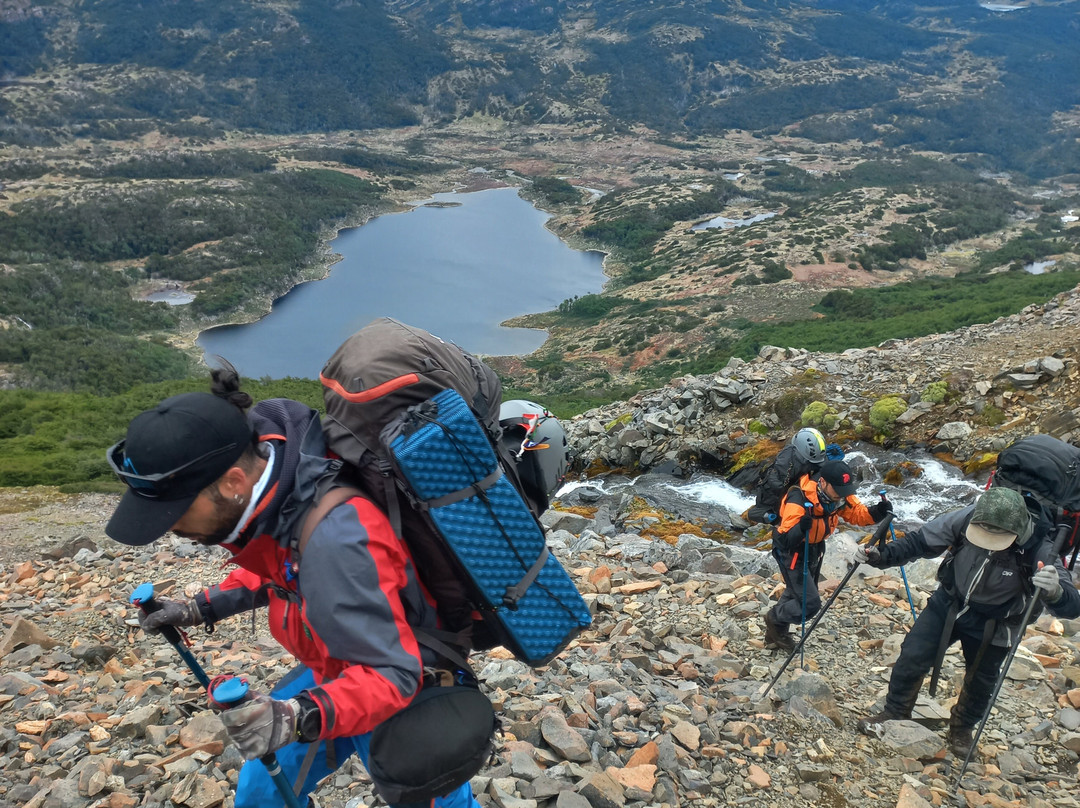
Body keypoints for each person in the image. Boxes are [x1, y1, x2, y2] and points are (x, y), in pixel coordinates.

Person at [104, 366, 484, 808]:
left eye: (175, 511)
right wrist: (200, 607)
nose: (170, 528)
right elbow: (278, 566)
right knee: (262, 793)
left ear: (232, 483)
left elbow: (394, 675)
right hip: (333, 668)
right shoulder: (280, 477)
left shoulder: (335, 540)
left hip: (397, 686)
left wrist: (296, 715)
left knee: (429, 799)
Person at [854, 486, 1080, 757]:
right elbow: (919, 542)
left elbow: (1072, 605)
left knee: (981, 679)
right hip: (950, 602)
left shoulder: (1039, 547)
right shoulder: (966, 518)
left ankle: (961, 729)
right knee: (913, 653)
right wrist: (881, 556)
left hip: (997, 622)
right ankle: (894, 712)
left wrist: (1055, 591)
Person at [763, 459, 891, 650]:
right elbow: (783, 540)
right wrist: (800, 528)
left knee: (796, 591)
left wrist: (879, 512)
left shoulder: (840, 495)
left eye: (845, 490)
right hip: (792, 552)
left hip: (815, 549)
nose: (842, 495)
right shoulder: (798, 500)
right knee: (810, 603)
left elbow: (857, 513)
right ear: (823, 483)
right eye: (838, 490)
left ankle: (775, 636)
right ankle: (774, 619)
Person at [745, 427, 842, 525]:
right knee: (768, 515)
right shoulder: (787, 463)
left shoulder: (806, 458)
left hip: (786, 492)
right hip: (776, 499)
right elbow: (779, 489)